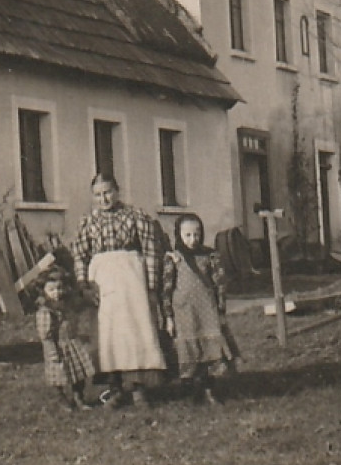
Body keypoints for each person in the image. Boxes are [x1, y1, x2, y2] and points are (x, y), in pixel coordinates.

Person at [72, 172, 168, 408]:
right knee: (107, 333)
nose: (103, 199)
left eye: (107, 192)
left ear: (117, 191)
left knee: (133, 330)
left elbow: (151, 251)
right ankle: (114, 388)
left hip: (131, 279)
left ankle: (138, 387)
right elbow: (79, 256)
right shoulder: (88, 222)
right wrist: (84, 284)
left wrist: (152, 285)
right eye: (98, 195)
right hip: (102, 281)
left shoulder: (136, 216)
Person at [162, 213, 237, 403]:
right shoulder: (173, 259)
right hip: (184, 313)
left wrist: (220, 310)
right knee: (188, 352)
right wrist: (169, 316)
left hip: (206, 312)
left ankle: (208, 389)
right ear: (179, 235)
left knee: (208, 352)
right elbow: (167, 289)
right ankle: (190, 391)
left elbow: (220, 283)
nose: (192, 239)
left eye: (196, 234)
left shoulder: (210, 256)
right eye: (187, 235)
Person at [35, 266, 95, 411]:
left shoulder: (66, 304)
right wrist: (52, 353)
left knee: (78, 374)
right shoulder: (46, 311)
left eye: (59, 288)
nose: (57, 293)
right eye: (52, 290)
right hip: (57, 347)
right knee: (58, 376)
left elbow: (75, 316)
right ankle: (61, 398)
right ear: (44, 291)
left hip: (71, 343)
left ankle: (78, 397)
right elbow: (46, 335)